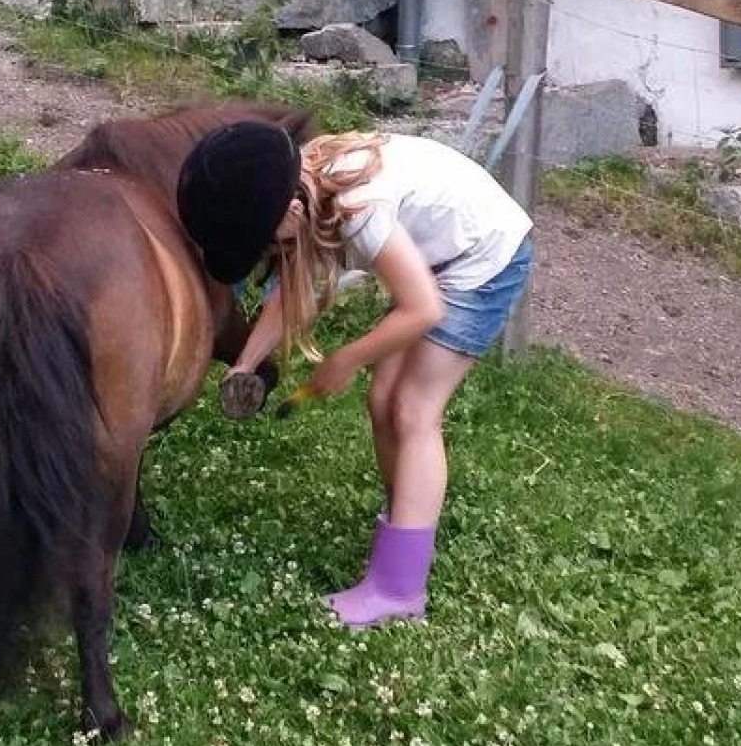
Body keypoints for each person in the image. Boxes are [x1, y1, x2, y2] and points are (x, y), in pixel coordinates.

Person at [219, 130, 534, 628]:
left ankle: (398, 592)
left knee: (412, 410)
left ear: (290, 214)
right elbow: (304, 289)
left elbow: (423, 309)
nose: (271, 254)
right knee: (382, 399)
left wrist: (347, 358)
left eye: (268, 241)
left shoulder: (356, 204)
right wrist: (245, 364)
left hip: (481, 259)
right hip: (431, 262)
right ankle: (409, 521)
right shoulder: (302, 178)